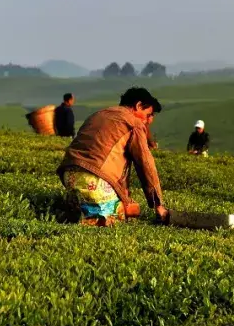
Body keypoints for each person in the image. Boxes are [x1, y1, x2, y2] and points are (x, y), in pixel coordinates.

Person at [57, 87, 169, 227]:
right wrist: (158, 205)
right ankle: (95, 217)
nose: (147, 121)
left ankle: (79, 208)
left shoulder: (98, 114)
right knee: (130, 212)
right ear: (138, 105)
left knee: (115, 203)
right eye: (147, 115)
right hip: (94, 179)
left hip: (69, 175)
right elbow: (145, 164)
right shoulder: (133, 123)